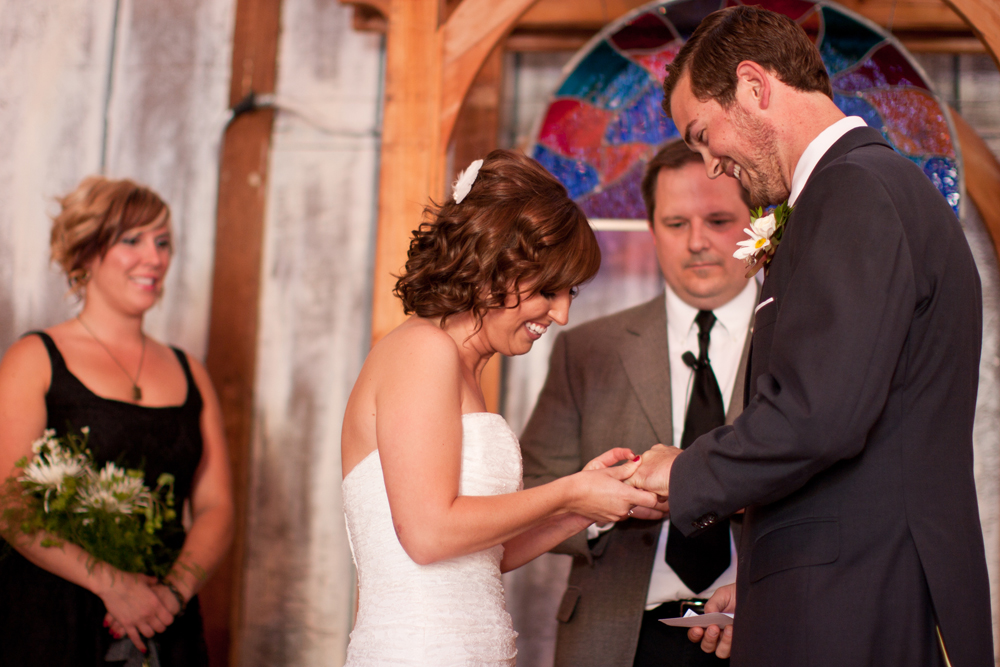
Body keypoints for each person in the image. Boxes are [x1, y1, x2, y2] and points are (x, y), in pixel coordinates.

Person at [625, 6, 994, 666]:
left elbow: (819, 413)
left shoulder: (852, 192)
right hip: (855, 588)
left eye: (704, 134)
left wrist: (685, 471)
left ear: (753, 87)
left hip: (861, 604)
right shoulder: (868, 188)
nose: (711, 163)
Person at [340, 149, 661, 666]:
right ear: (494, 268)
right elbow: (427, 535)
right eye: (550, 290)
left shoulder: (461, 365)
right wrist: (565, 491)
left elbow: (484, 552)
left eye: (571, 292)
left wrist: (582, 507)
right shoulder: (424, 350)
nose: (560, 314)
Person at [520, 138, 756, 667]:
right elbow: (533, 489)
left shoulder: (802, 340)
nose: (697, 242)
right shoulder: (586, 346)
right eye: (676, 224)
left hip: (768, 628)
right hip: (616, 636)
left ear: (755, 222)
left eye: (718, 220)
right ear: (652, 231)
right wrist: (600, 507)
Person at [0, 176, 234, 666]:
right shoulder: (35, 358)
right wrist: (111, 584)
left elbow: (216, 507)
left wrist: (169, 595)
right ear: (86, 252)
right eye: (132, 240)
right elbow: (8, 503)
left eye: (163, 241)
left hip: (164, 623)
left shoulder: (190, 370)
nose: (154, 257)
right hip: (52, 620)